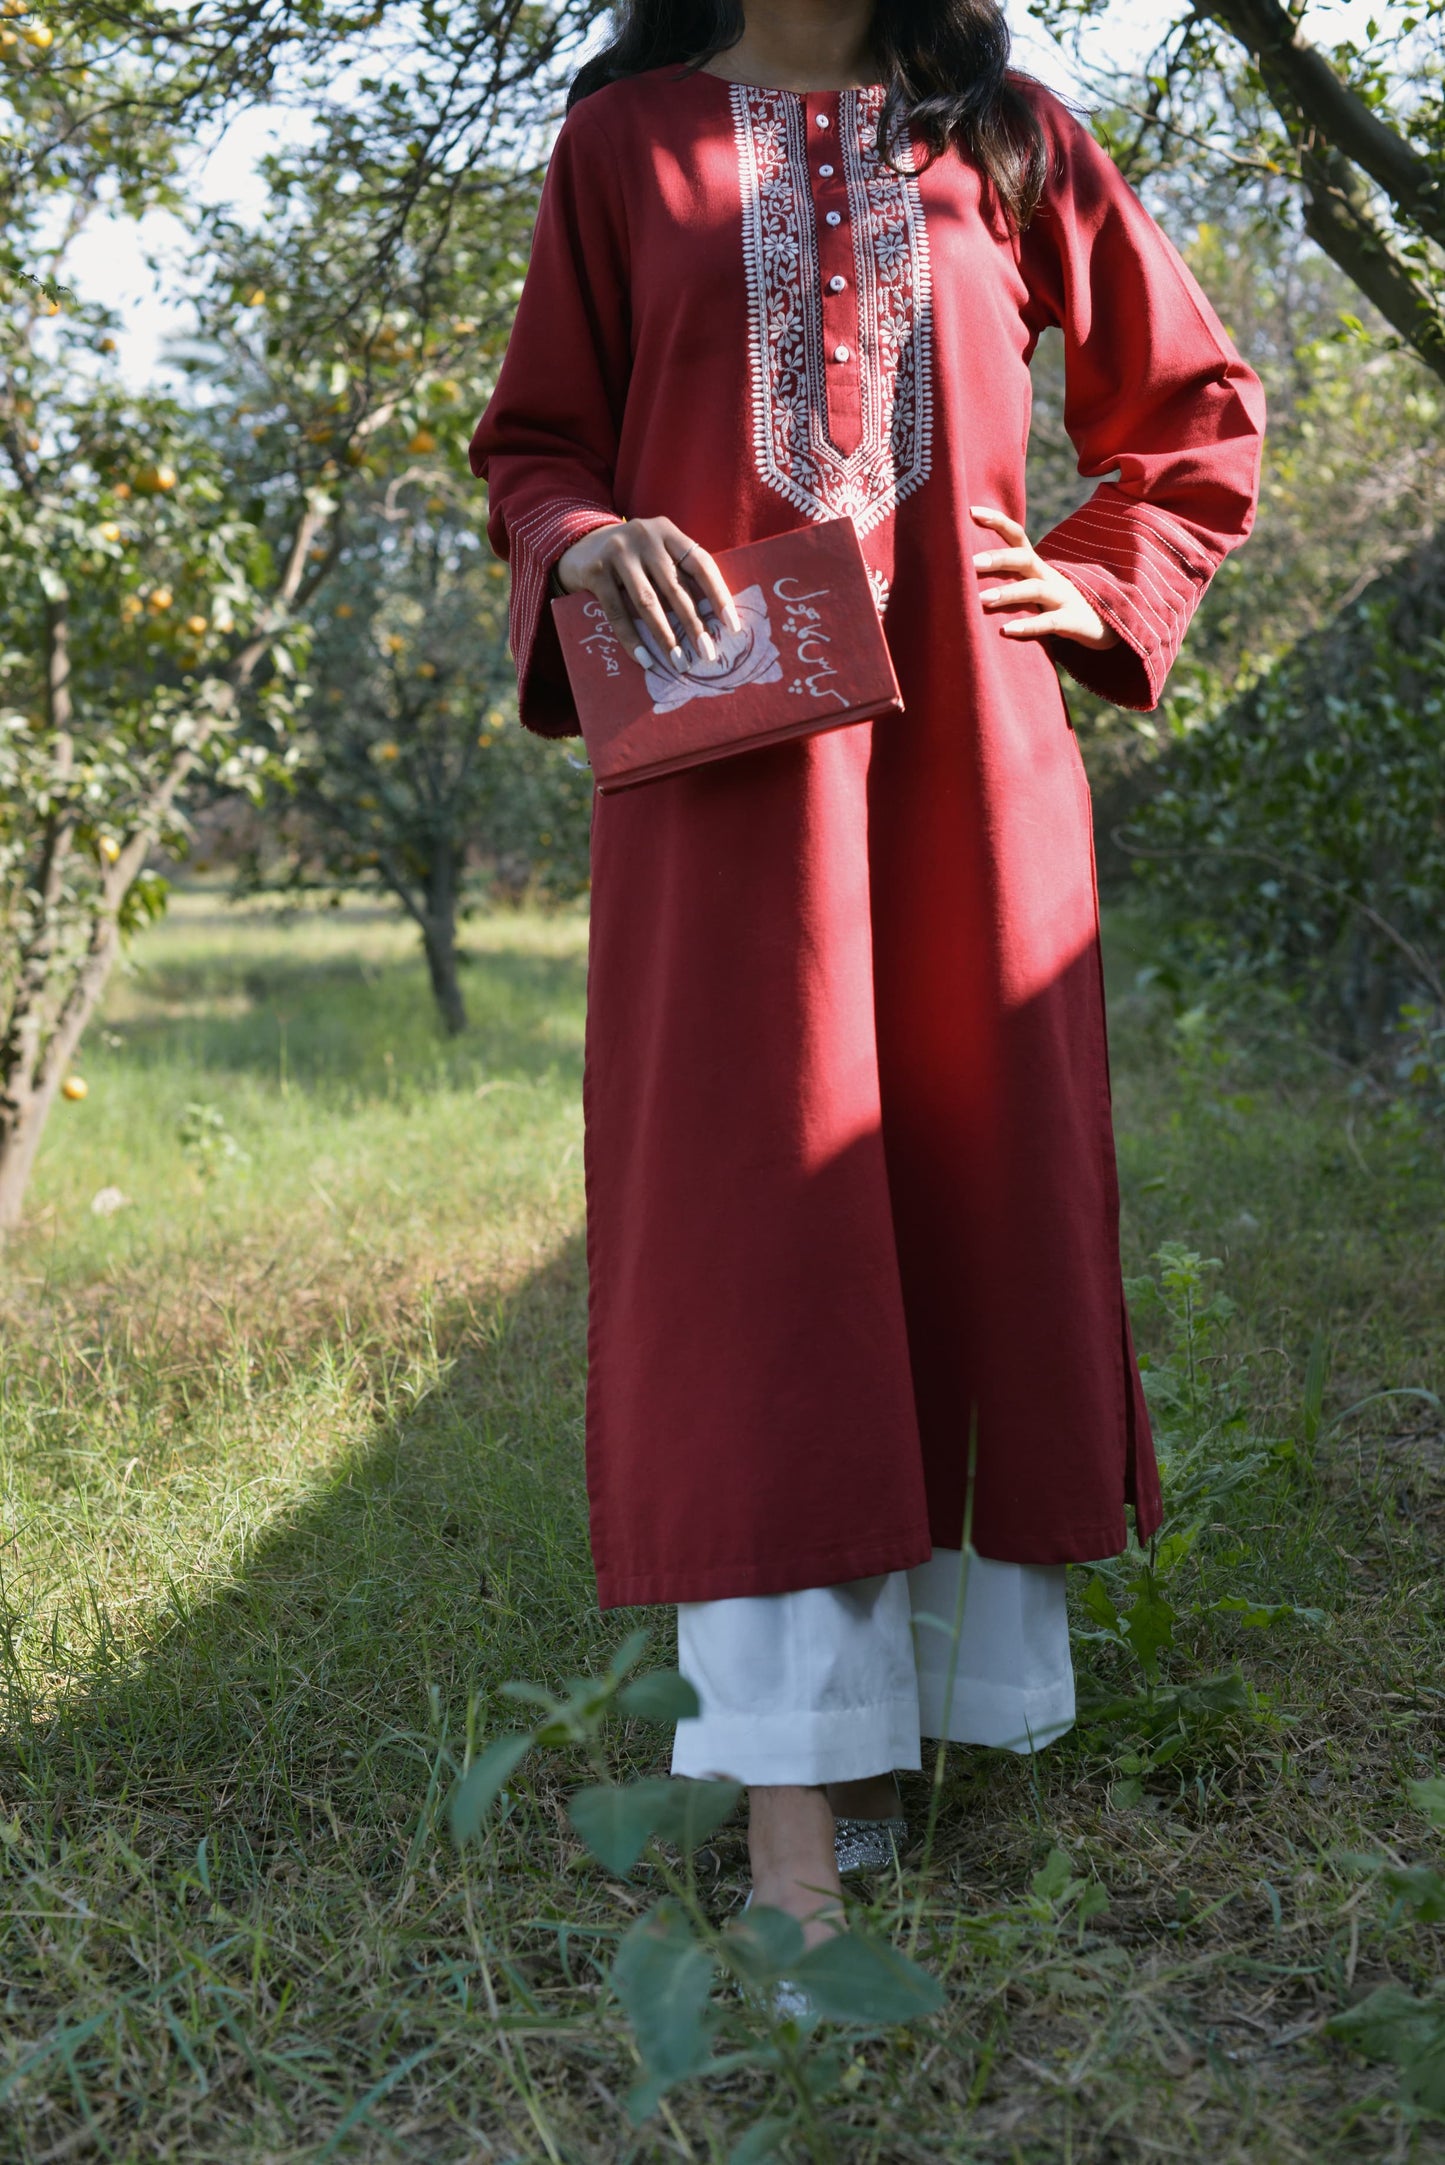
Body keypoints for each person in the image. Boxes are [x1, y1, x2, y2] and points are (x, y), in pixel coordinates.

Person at [470, 0, 1265, 1951]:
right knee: (758, 1249)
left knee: (968, 1204)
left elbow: (1193, 407)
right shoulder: (624, 145)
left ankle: (893, 1736)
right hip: (730, 785)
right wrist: (585, 539)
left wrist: (1098, 576)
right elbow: (537, 442)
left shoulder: (1012, 134)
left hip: (972, 779)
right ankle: (793, 1834)